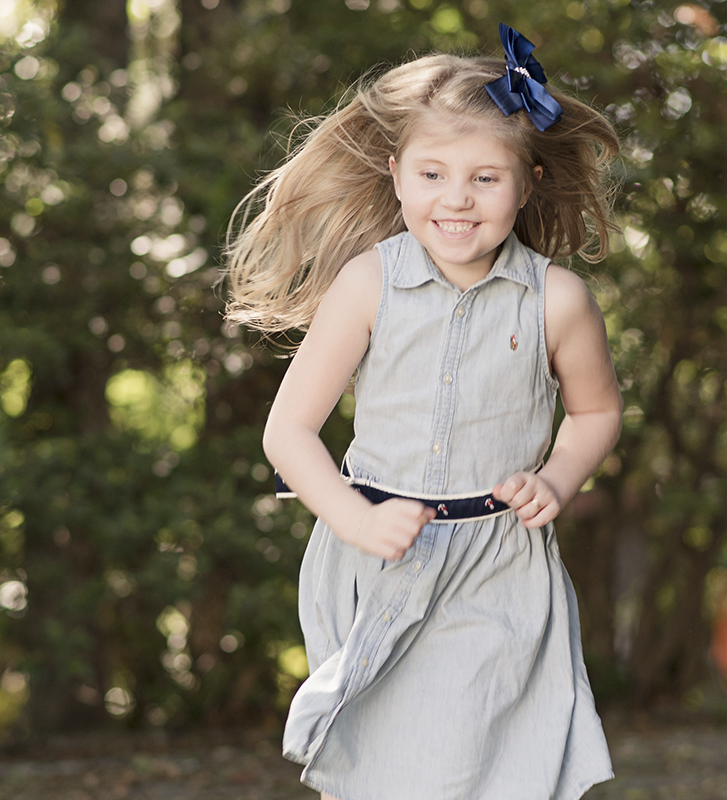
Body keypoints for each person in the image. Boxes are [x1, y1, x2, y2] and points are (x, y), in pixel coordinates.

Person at [224, 25, 622, 800]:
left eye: (484, 178)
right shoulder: (367, 284)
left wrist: (560, 476)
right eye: (433, 173)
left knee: (489, 767)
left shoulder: (559, 301)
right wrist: (355, 520)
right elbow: (288, 433)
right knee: (391, 772)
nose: (457, 199)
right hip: (376, 556)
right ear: (398, 177)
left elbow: (596, 412)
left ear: (528, 180)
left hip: (496, 563)